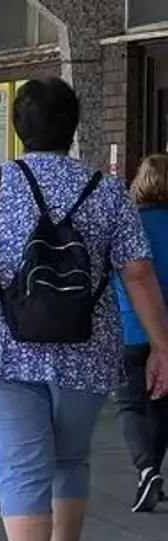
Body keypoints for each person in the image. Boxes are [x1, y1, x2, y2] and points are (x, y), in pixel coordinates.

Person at [0, 77, 168, 541]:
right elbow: (136, 273)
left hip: (1, 353)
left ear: (18, 127)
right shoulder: (106, 191)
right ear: (74, 128)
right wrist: (162, 345)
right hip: (84, 349)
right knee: (69, 460)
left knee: (20, 466)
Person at [111, 154, 168, 512]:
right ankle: (152, 473)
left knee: (130, 403)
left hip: (131, 327)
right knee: (163, 407)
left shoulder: (129, 225)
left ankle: (146, 468)